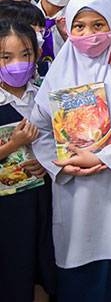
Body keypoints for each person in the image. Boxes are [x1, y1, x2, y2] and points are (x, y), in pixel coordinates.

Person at [30, 0, 111, 301]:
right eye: (80, 26)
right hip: (73, 184)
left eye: (99, 25)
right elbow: (40, 130)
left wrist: (105, 158)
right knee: (78, 246)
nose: (90, 34)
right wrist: (62, 165)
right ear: (68, 29)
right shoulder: (56, 77)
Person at [0, 20, 55, 301]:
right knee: (13, 265)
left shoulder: (45, 93)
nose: (17, 64)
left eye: (25, 55)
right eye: (6, 57)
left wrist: (48, 163)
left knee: (44, 262)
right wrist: (14, 144)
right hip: (8, 207)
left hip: (46, 196)